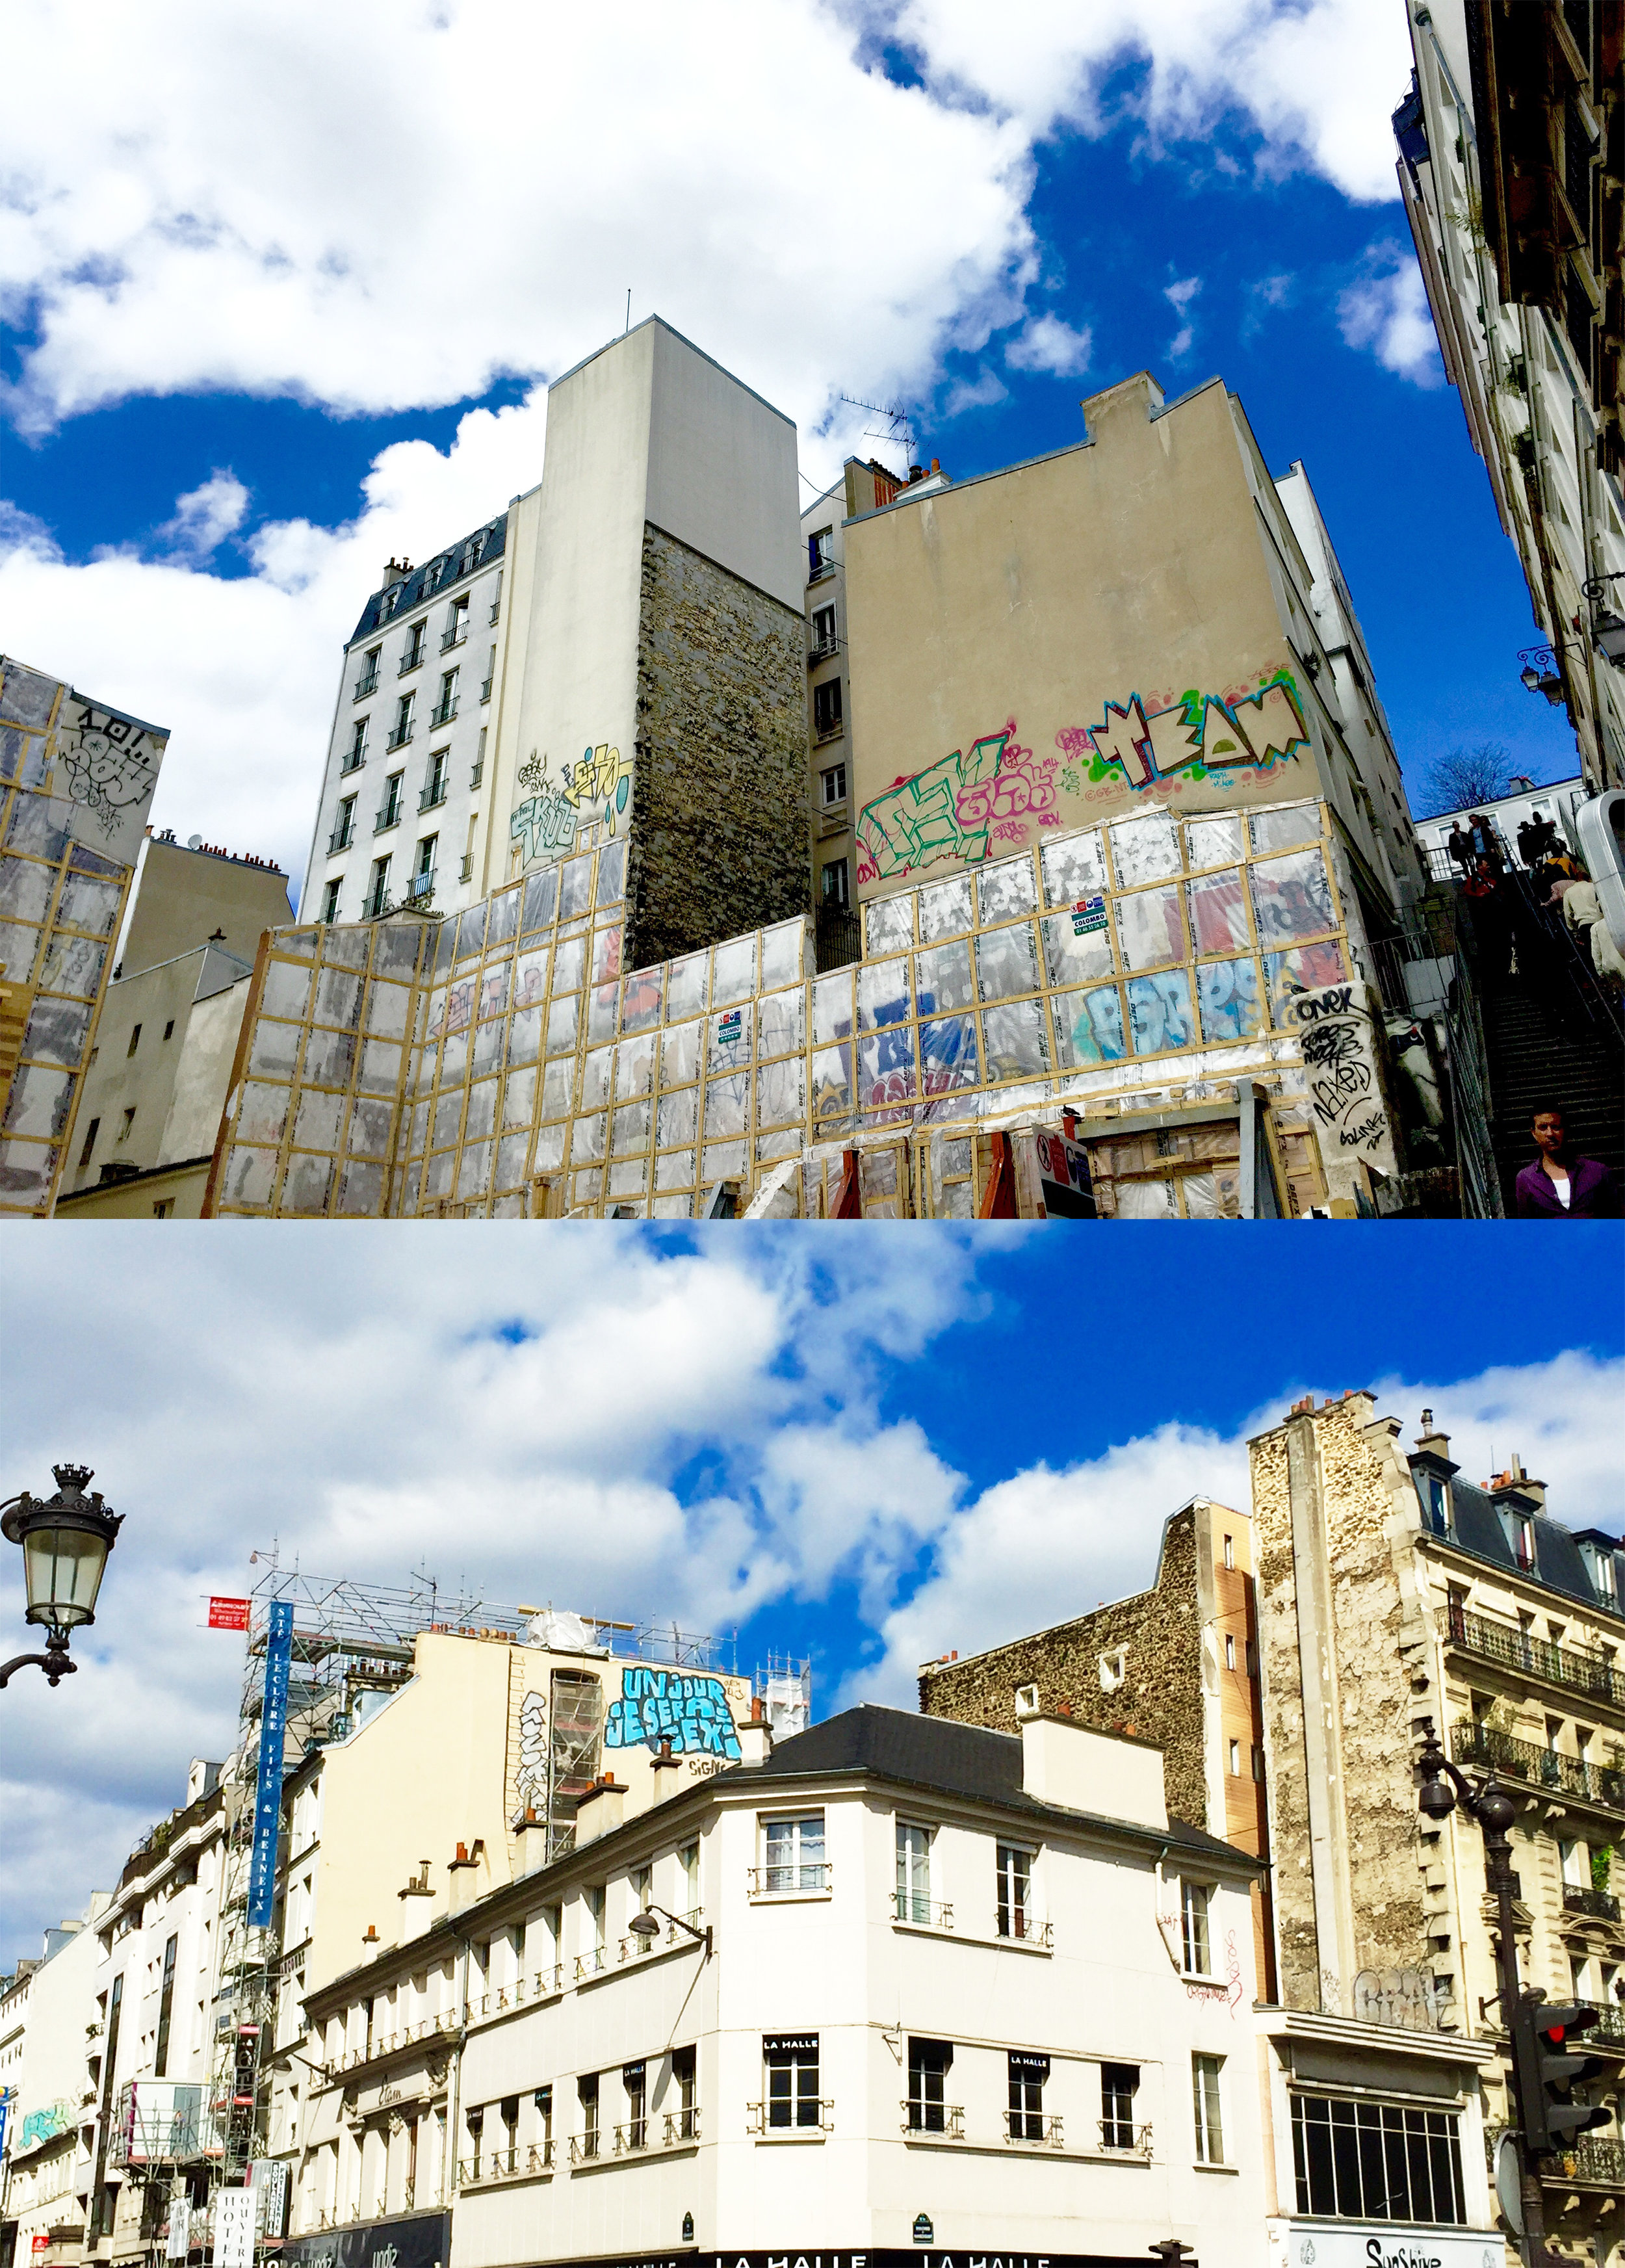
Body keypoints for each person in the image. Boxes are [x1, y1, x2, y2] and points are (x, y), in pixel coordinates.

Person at [1514, 1105, 1620, 1217]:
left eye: (1556, 1127)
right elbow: (1527, 1225)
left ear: (1565, 1130)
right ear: (1534, 1133)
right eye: (1543, 1127)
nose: (1550, 1134)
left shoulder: (1598, 1172)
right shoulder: (1527, 1179)